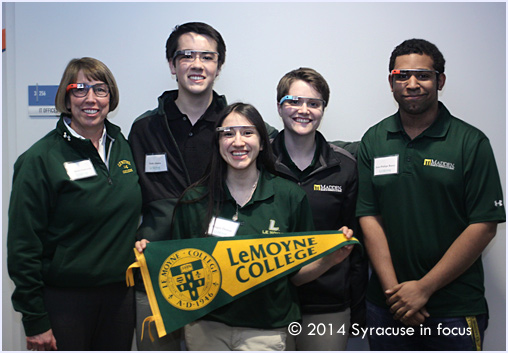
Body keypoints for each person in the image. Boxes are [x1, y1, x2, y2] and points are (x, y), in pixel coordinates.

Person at [135, 102, 354, 351]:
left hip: (267, 329)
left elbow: (295, 276)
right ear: (218, 144)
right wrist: (150, 257)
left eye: (247, 133)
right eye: (228, 134)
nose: (238, 142)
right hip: (206, 327)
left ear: (262, 143)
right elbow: (179, 267)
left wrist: (328, 259)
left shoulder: (290, 197)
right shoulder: (194, 200)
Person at [128, 22, 277, 350]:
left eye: (207, 57)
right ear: (172, 65)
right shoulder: (144, 129)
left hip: (222, 281)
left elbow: (279, 172)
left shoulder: (238, 128)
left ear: (218, 66)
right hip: (155, 277)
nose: (197, 64)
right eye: (187, 56)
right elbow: (125, 199)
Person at [356, 38, 506, 350]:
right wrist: (394, 293)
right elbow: (369, 216)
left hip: (455, 309)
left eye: (423, 75)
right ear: (391, 82)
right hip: (387, 307)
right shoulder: (374, 140)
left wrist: (424, 288)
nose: (412, 84)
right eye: (402, 76)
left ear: (440, 80)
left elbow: (484, 225)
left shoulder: (470, 142)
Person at [7, 57, 142, 351]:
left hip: (119, 298)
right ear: (66, 98)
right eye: (79, 89)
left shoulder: (125, 146)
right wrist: (35, 319)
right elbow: (23, 246)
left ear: (111, 97)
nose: (90, 98)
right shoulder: (40, 159)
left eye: (100, 89)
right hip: (64, 302)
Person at [271, 67, 368, 350]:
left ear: (323, 109)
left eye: (314, 103)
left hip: (328, 305)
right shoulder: (259, 162)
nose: (304, 110)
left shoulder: (345, 166)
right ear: (279, 107)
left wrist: (358, 309)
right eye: (294, 101)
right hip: (268, 301)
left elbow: (357, 247)